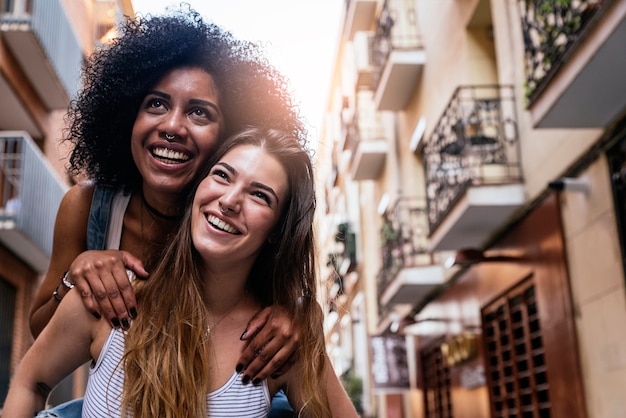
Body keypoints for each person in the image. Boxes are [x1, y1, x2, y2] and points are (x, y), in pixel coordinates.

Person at [29, 6, 304, 388]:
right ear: (129, 116)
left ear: (229, 138)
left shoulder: (238, 222)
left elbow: (289, 297)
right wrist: (76, 278)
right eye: (156, 104)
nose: (172, 126)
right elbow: (39, 335)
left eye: (199, 113)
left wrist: (298, 316)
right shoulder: (88, 207)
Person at [3, 127, 359, 418]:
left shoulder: (279, 343)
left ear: (277, 233)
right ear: (197, 190)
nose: (230, 200)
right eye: (222, 175)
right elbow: (30, 382)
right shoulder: (110, 299)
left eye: (260, 196)